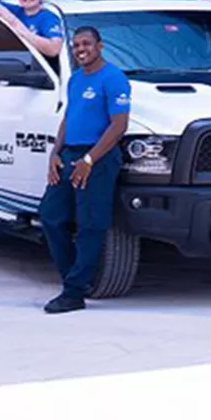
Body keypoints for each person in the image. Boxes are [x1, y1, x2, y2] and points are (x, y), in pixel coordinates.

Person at [38, 27, 130, 314]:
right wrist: (55, 152)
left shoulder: (114, 78)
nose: (81, 49)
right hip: (69, 155)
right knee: (50, 215)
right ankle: (74, 278)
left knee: (91, 224)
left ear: (100, 46)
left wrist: (89, 160)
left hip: (98, 159)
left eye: (86, 44)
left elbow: (119, 126)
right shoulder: (76, 80)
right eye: (76, 45)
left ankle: (74, 293)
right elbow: (69, 117)